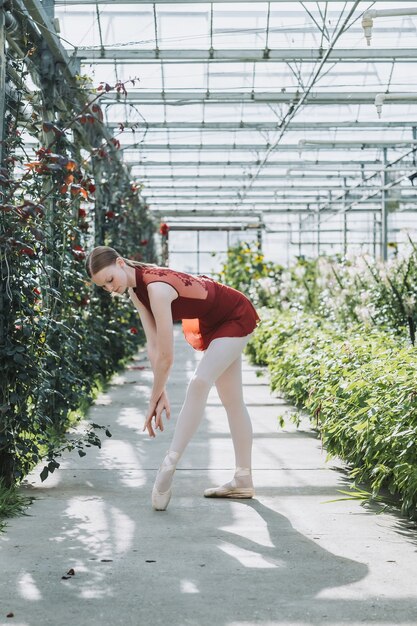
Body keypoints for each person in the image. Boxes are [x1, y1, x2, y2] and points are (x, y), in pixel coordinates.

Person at [86, 245, 260, 511]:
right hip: (211, 322)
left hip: (234, 313)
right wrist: (160, 391)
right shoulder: (136, 293)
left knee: (200, 382)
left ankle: (169, 463)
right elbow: (155, 347)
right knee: (233, 401)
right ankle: (243, 479)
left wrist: (154, 396)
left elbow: (168, 356)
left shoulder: (155, 288)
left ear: (120, 263)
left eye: (110, 280)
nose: (111, 289)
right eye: (104, 287)